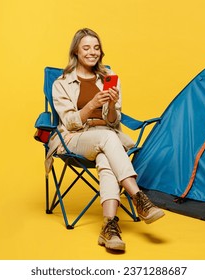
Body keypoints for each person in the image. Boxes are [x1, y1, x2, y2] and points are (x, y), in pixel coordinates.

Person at [47, 28, 164, 251]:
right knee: (108, 139)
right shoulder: (61, 83)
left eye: (96, 47)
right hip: (74, 138)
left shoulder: (108, 79)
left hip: (105, 138)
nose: (93, 52)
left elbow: (112, 121)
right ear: (76, 51)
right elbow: (69, 121)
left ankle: (109, 227)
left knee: (105, 157)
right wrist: (91, 104)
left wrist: (110, 104)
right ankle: (139, 197)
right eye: (86, 48)